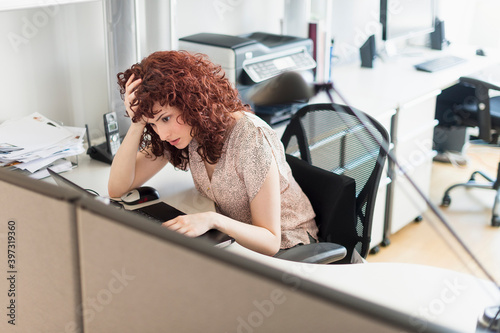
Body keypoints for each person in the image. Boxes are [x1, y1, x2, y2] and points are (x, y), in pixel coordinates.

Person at [108, 50, 318, 256]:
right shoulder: (186, 132)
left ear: (190, 103)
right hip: (237, 243)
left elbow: (270, 240)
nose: (162, 135)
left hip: (289, 247)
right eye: (152, 124)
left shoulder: (251, 138)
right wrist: (137, 121)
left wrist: (212, 220)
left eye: (165, 118)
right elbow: (118, 188)